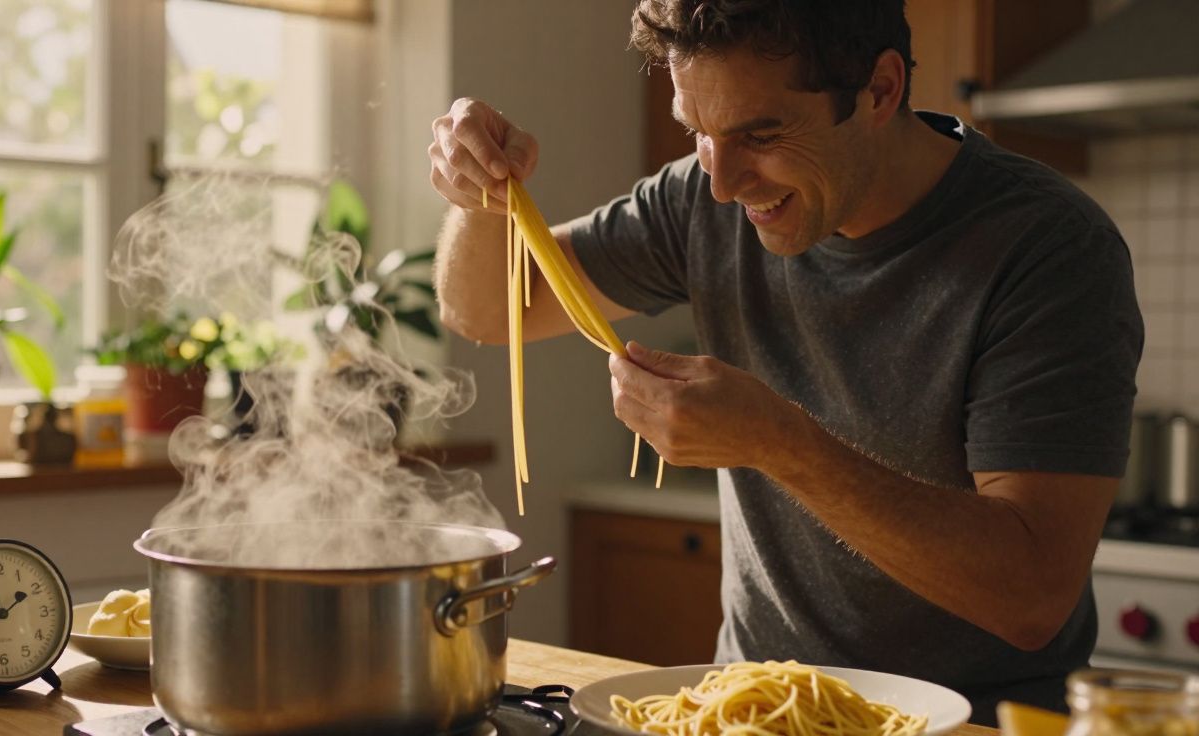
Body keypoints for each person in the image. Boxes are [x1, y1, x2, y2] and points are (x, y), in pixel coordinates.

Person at [428, 0, 1142, 725]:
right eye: (696, 133)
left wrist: (778, 443)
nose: (723, 183)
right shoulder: (699, 203)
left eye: (760, 134)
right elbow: (486, 310)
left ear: (881, 90)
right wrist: (482, 198)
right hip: (753, 712)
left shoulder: (1049, 248)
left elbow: (1031, 599)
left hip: (980, 722)